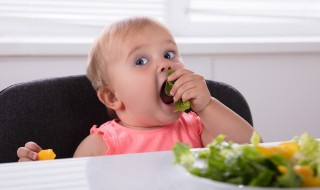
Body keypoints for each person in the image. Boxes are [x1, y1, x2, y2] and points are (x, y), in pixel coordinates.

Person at [17, 17, 255, 161]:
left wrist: (207, 106)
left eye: (169, 54)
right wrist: (39, 173)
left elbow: (253, 149)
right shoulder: (101, 145)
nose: (165, 63)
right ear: (112, 97)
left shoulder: (199, 128)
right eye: (141, 61)